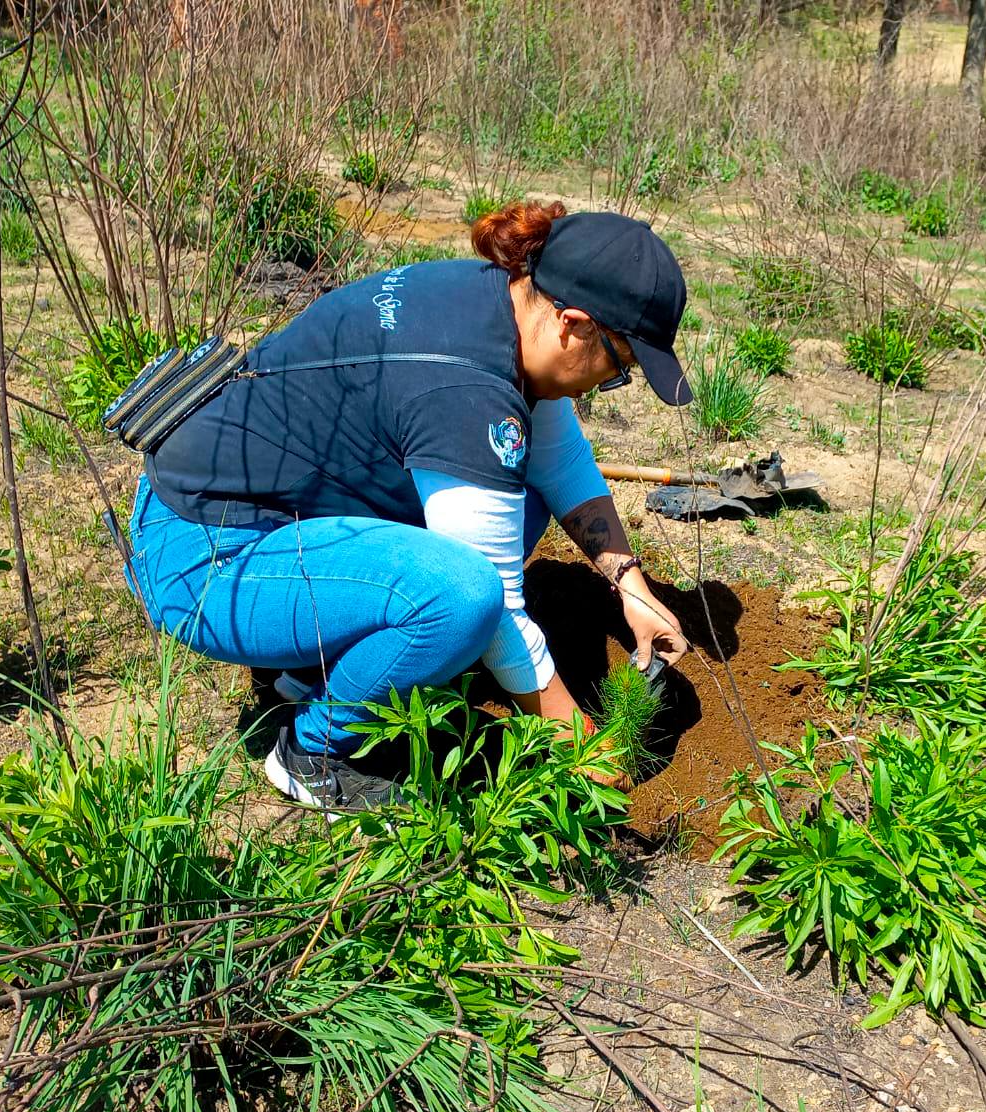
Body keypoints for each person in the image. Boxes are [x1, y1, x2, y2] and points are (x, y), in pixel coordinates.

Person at [124, 201, 692, 810]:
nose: (607, 386)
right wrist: (578, 742)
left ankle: (306, 670)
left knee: (521, 495)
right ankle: (311, 751)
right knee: (460, 598)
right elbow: (494, 608)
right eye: (618, 367)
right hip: (206, 559)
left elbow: (558, 458)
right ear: (572, 325)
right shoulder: (465, 386)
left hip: (270, 515)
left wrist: (631, 589)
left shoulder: (501, 304)